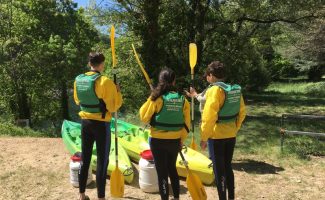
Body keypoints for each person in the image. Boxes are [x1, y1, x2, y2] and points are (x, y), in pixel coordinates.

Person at [73, 52, 122, 200]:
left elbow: (77, 100)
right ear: (102, 65)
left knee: (85, 158)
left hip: (85, 123)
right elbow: (113, 107)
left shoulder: (78, 80)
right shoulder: (105, 81)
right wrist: (117, 92)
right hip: (101, 125)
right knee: (102, 161)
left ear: (89, 64)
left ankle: (82, 195)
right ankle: (101, 197)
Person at [139, 68, 190, 200]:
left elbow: (143, 117)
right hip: (174, 141)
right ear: (173, 81)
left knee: (162, 173)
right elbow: (186, 125)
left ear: (160, 81)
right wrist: (181, 139)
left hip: (157, 141)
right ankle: (177, 197)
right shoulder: (183, 100)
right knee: (172, 169)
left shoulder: (157, 98)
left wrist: (151, 97)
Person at [200, 61, 246, 200]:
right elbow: (242, 112)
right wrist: (234, 128)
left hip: (216, 137)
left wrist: (204, 137)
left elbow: (209, 117)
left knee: (219, 170)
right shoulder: (234, 89)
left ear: (212, 76)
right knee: (227, 166)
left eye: (207, 75)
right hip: (231, 134)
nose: (207, 78)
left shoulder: (214, 90)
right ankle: (231, 197)